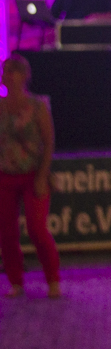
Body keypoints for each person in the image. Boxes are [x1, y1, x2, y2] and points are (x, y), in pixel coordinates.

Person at [0, 55, 60, 298]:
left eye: (13, 70)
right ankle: (16, 281)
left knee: (37, 230)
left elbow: (48, 141)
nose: (8, 75)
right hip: (5, 175)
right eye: (5, 71)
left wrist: (42, 176)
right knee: (6, 232)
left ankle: (53, 280)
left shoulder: (37, 106)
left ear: (25, 76)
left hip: (33, 174)